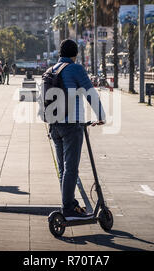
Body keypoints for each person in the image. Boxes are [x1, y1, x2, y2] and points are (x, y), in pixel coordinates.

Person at [48, 39, 106, 221]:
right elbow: (90, 92)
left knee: (63, 168)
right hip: (72, 124)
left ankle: (70, 202)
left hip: (54, 125)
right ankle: (68, 208)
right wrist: (101, 115)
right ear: (75, 54)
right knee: (71, 168)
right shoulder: (76, 69)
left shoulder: (50, 70)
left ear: (59, 53)